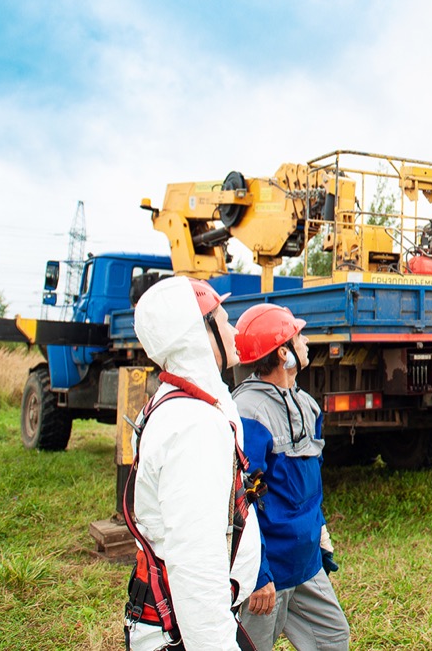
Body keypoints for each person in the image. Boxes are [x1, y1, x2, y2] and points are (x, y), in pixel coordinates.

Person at [123, 276, 262, 651]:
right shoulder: (195, 427)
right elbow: (195, 563)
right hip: (187, 634)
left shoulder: (183, 404)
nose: (234, 330)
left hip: (189, 625)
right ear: (198, 334)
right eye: (224, 320)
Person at [232, 303, 351, 651]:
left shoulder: (308, 405)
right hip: (269, 572)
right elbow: (239, 501)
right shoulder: (248, 412)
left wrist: (320, 533)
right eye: (299, 336)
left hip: (306, 564)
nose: (307, 341)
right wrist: (258, 575)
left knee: (333, 639)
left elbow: (308, 483)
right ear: (283, 352)